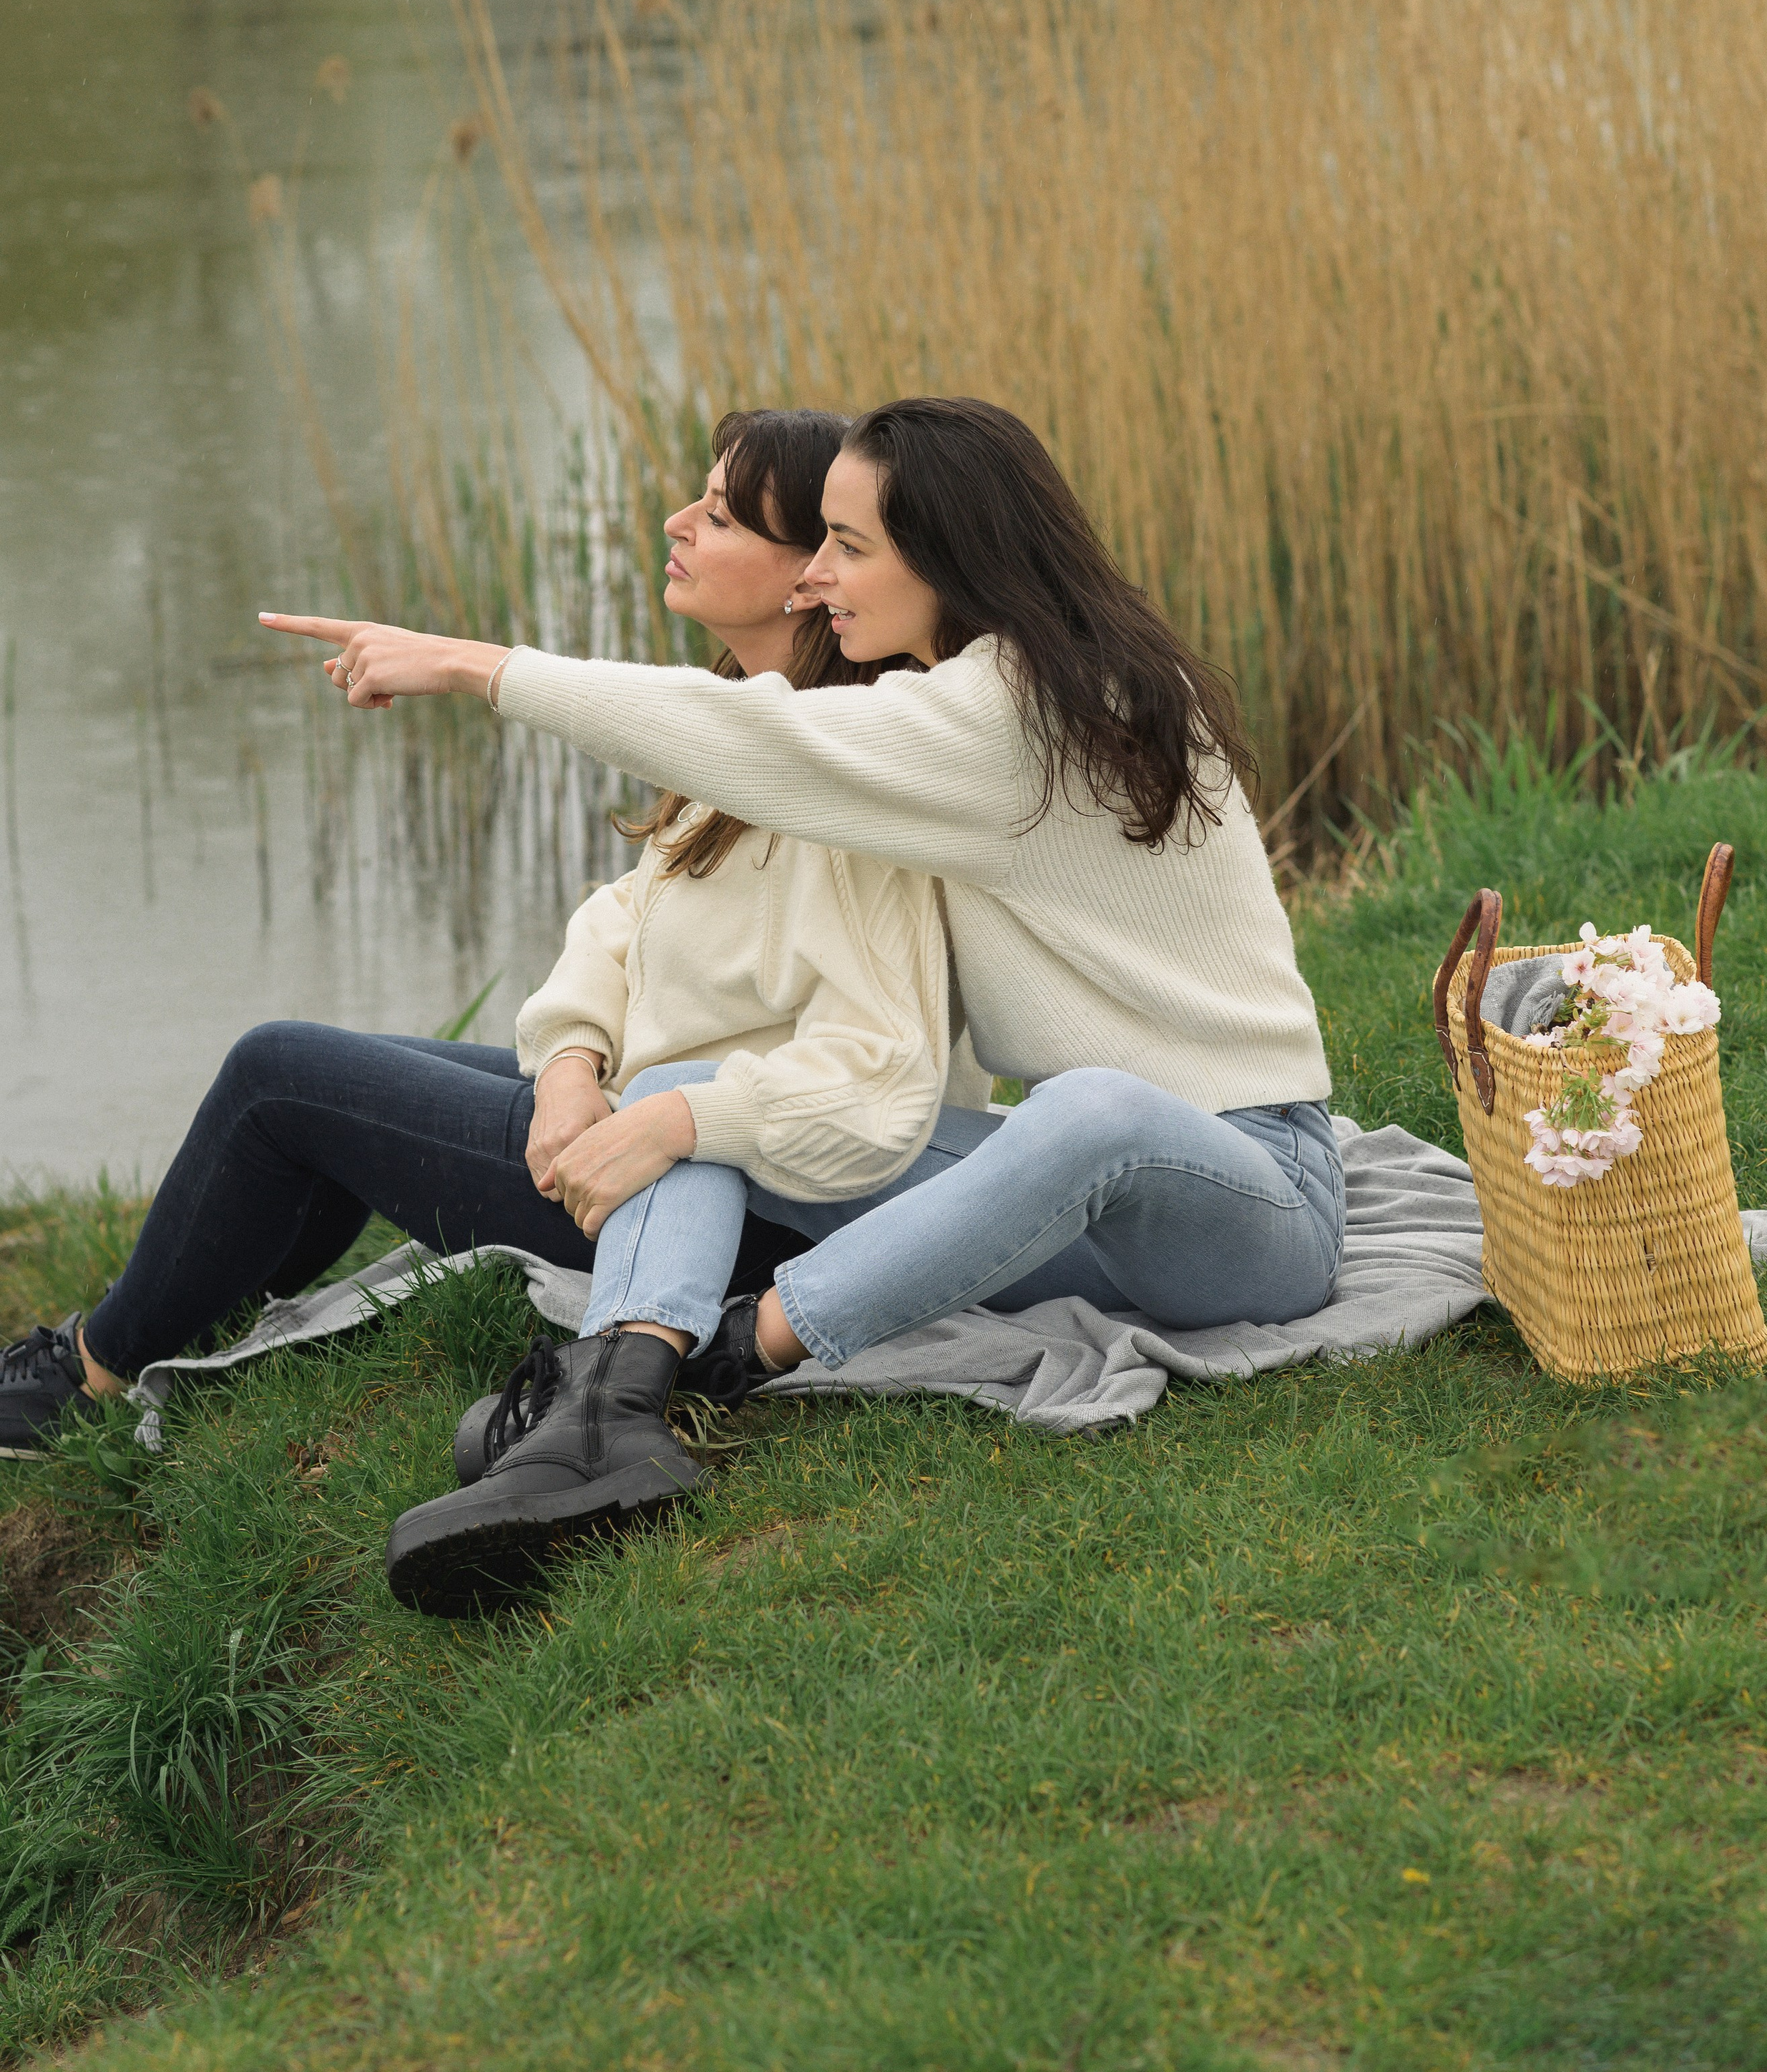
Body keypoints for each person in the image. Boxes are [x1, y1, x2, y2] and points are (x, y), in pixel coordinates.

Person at [263, 396, 1343, 1616]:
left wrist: (479, 666)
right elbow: (685, 848)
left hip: (1255, 1205)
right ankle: (610, 1410)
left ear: (952, 556)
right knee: (687, 1099)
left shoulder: (1032, 708)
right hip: (1089, 1211)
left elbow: (753, 738)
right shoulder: (977, 694)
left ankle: (731, 1362)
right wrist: (620, 1083)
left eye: (849, 548)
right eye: (816, 540)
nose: (816, 577)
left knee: (1096, 1108)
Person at [0, 414, 981, 1573]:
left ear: (809, 577)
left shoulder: (849, 783)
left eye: (718, 516)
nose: (677, 523)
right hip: (655, 1127)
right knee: (332, 1088)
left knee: (282, 1078)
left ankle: (85, 1377)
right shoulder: (743, 738)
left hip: (744, 1197)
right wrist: (569, 1065)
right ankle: (176, 1331)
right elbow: (626, 923)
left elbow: (878, 1078)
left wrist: (652, 1118)